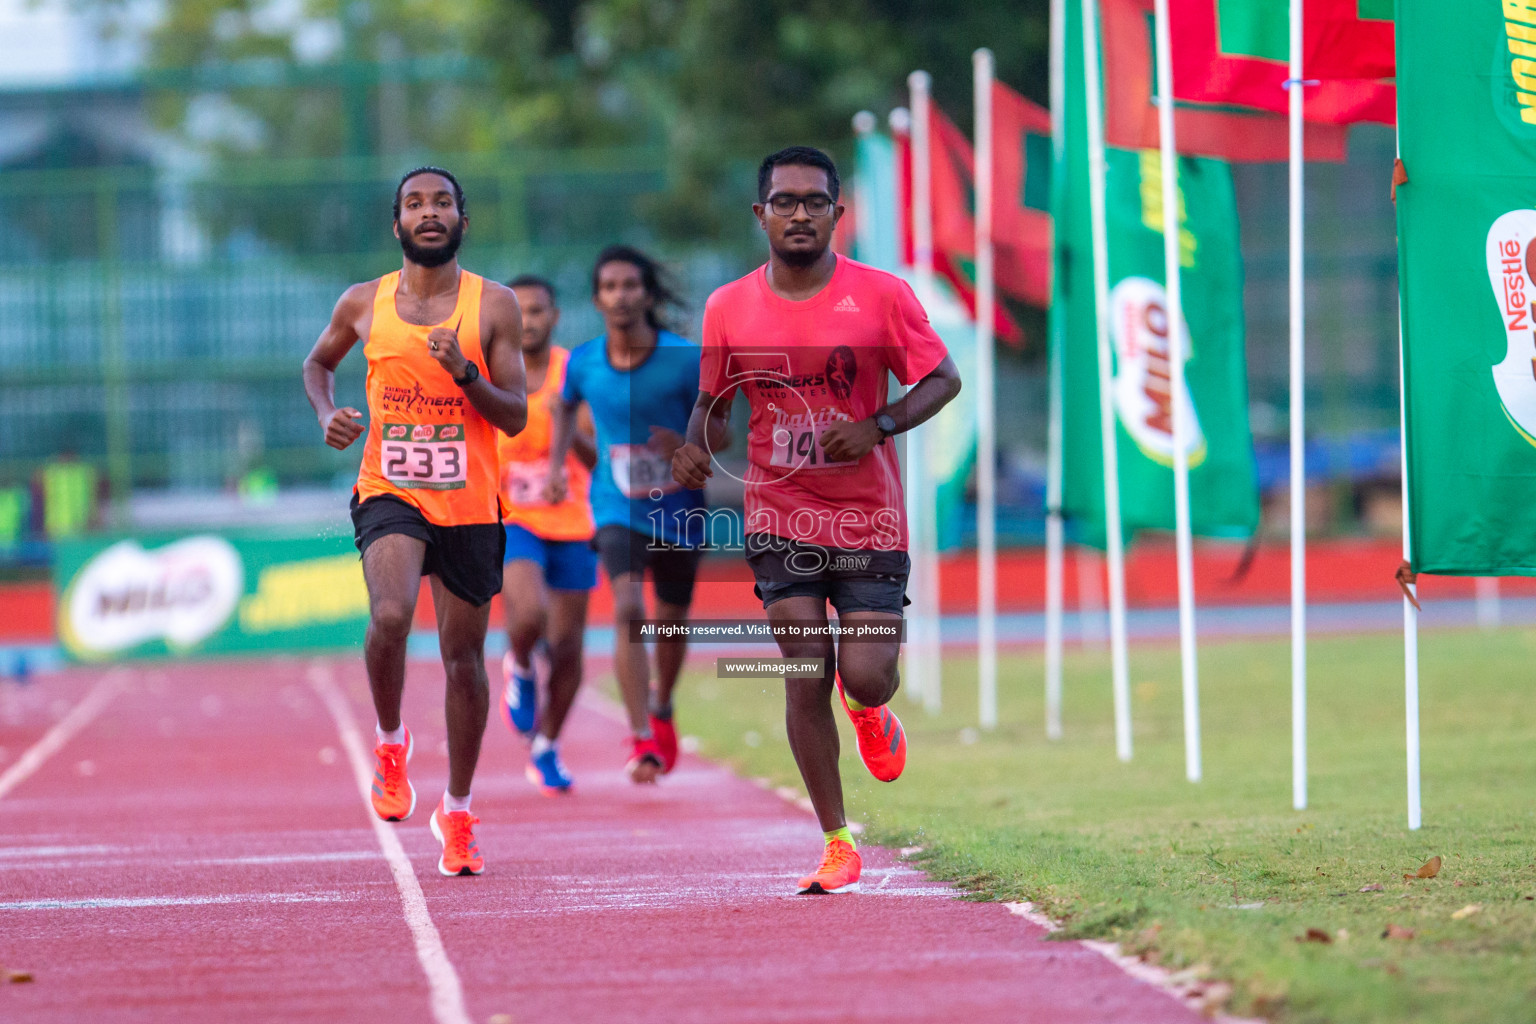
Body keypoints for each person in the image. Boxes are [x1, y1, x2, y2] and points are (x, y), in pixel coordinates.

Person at [672, 146, 961, 895]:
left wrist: (880, 425)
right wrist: (696, 447)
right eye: (784, 201)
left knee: (866, 674)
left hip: (868, 519)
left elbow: (943, 378)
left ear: (838, 212)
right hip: (780, 513)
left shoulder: (882, 296)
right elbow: (713, 403)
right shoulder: (728, 306)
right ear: (760, 213)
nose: (799, 213)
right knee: (807, 667)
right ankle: (837, 841)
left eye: (814, 201)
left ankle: (868, 710)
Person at [302, 166, 528, 876]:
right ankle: (391, 742)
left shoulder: (494, 306)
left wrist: (466, 373)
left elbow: (515, 415)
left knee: (464, 661)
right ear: (396, 224)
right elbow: (317, 364)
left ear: (464, 219)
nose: (428, 213)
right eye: (414, 204)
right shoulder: (363, 303)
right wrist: (326, 412)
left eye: (442, 203)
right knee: (392, 615)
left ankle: (456, 812)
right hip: (390, 489)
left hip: (470, 502)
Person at [547, 245, 713, 783]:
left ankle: (663, 706)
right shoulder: (583, 361)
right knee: (626, 611)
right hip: (616, 505)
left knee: (670, 619)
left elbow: (723, 427)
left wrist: (690, 448)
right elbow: (565, 406)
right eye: (610, 286)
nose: (620, 295)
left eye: (630, 285)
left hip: (680, 507)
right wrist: (560, 464)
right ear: (597, 298)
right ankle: (641, 736)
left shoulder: (685, 358)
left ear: (647, 293)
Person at [496, 273, 599, 794]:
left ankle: (546, 745)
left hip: (573, 519)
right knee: (529, 613)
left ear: (554, 317)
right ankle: (517, 663)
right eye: (519, 313)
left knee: (568, 649)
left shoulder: (573, 372)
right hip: (513, 516)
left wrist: (569, 430)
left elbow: (596, 456)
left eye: (538, 311)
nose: (529, 322)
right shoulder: (493, 372)